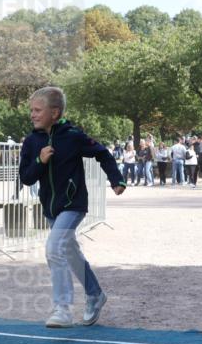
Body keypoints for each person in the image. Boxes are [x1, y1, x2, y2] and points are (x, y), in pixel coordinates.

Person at [18, 86, 125, 328]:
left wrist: (116, 179)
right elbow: (26, 178)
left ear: (54, 113)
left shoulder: (73, 136)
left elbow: (102, 153)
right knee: (69, 251)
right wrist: (39, 161)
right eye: (31, 110)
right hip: (51, 208)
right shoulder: (31, 142)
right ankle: (95, 294)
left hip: (73, 204)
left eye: (37, 110)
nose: (32, 114)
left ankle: (62, 309)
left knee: (54, 248)